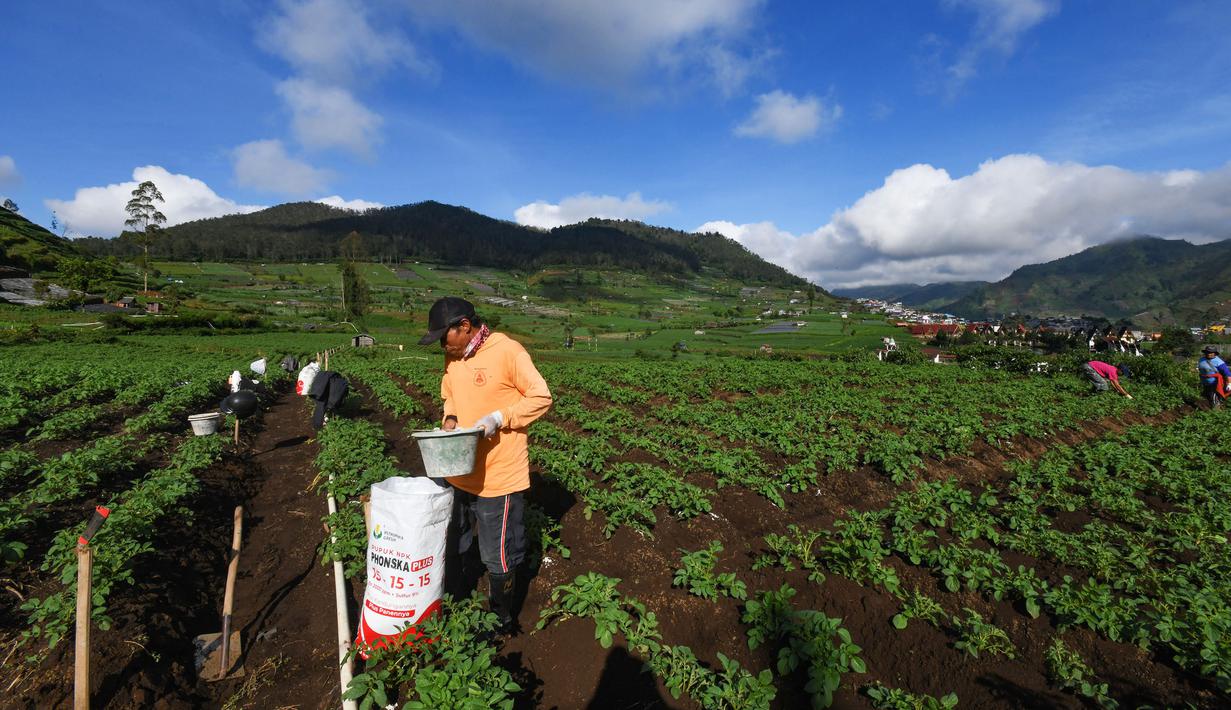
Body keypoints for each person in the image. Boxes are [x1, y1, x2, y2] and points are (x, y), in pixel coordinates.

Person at [418, 297, 552, 632]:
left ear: (464, 327)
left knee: (498, 553)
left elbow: (540, 396)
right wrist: (449, 417)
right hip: (459, 470)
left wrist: (501, 417)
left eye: (443, 337)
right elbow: (449, 393)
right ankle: (457, 600)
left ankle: (502, 620)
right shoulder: (454, 357)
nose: (441, 346)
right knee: (458, 541)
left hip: (498, 477)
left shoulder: (508, 351)